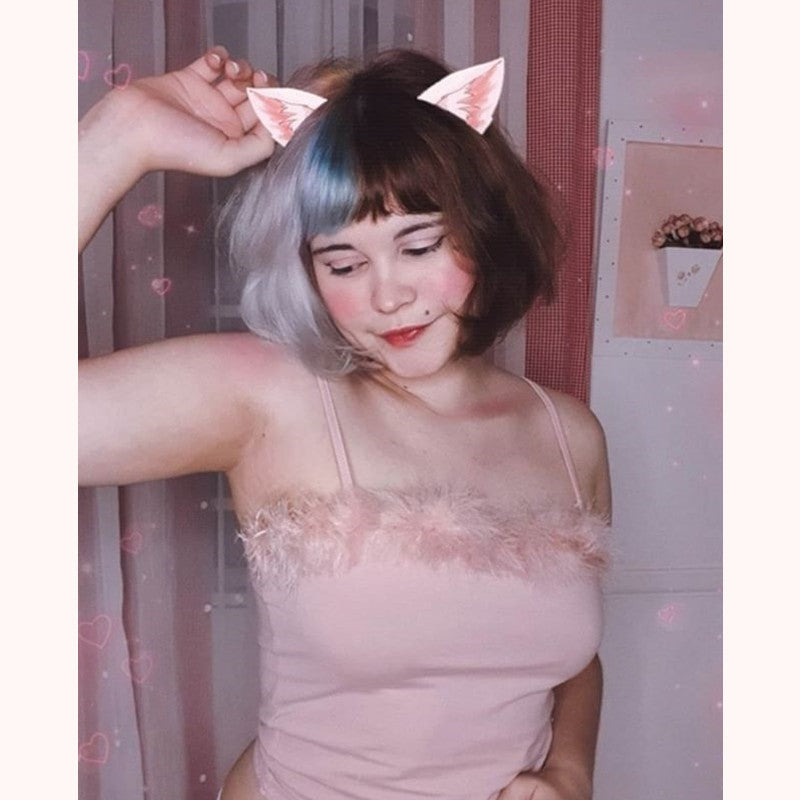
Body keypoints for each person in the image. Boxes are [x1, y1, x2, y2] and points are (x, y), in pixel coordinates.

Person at [79, 44, 611, 800]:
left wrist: (568, 771)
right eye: (343, 263)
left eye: (419, 245)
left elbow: (572, 660)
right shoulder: (275, 398)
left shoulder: (569, 433)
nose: (387, 296)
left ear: (486, 225)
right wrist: (118, 137)